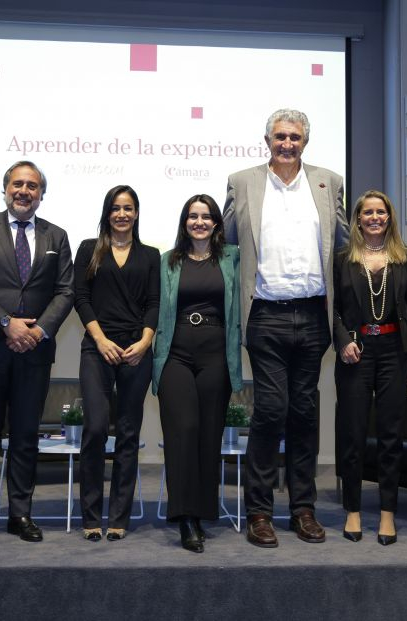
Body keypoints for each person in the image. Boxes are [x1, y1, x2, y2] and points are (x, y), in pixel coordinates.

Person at [224, 108, 348, 547]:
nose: (287, 143)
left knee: (304, 413)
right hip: (266, 315)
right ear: (267, 139)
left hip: (314, 316)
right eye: (280, 136)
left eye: (295, 136)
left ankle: (303, 509)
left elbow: (344, 246)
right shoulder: (242, 182)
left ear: (306, 141)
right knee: (271, 411)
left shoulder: (328, 181)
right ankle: (259, 510)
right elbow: (227, 248)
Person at [0, 161, 74, 545]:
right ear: (5, 188)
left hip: (34, 350)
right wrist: (8, 323)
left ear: (42, 193)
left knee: (26, 435)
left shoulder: (57, 236)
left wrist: (37, 330)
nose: (25, 191)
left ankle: (21, 513)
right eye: (18, 184)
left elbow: (66, 291)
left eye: (33, 186)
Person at [153, 194, 242, 553]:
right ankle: (185, 517)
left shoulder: (233, 258)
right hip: (175, 353)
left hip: (216, 352)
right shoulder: (166, 262)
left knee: (208, 434)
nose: (199, 222)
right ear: (184, 222)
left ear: (217, 223)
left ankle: (203, 510)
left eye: (206, 217)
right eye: (193, 216)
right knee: (183, 428)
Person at [73, 185, 159, 542]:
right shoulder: (88, 250)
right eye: (116, 208)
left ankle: (119, 517)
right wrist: (101, 339)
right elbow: (80, 297)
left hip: (136, 350)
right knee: (94, 430)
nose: (122, 214)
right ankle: (91, 514)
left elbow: (155, 302)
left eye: (128, 208)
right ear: (107, 212)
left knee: (127, 433)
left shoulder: (152, 255)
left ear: (136, 213)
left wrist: (144, 342)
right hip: (98, 347)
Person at [332, 190, 407, 546]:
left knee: (390, 435)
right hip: (356, 351)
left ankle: (386, 514)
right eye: (368, 212)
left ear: (389, 217)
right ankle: (352, 510)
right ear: (358, 219)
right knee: (352, 434)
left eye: (381, 212)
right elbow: (332, 308)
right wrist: (342, 341)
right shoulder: (342, 260)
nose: (375, 217)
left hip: (395, 352)